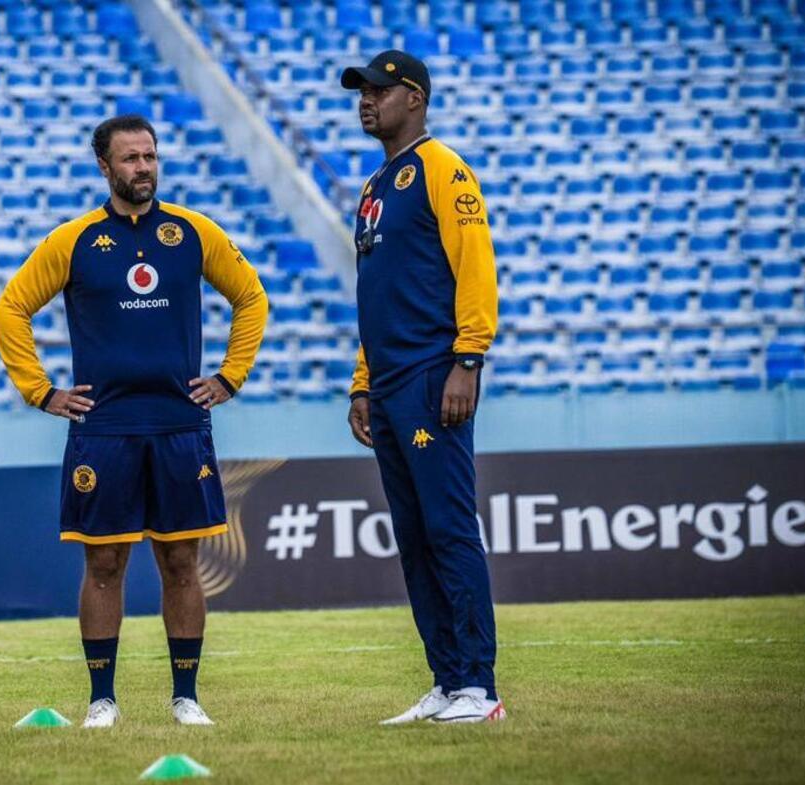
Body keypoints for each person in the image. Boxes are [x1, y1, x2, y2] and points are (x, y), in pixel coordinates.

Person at [0, 115, 268, 728]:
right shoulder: (74, 240)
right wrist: (41, 391)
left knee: (181, 563)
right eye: (130, 158)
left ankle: (186, 697)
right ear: (104, 167)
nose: (143, 168)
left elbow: (251, 296)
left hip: (179, 427)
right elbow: (11, 308)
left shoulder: (193, 232)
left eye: (149, 156)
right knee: (104, 566)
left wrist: (230, 376)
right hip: (104, 431)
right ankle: (102, 701)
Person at [339, 51, 505, 724]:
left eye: (379, 89)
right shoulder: (375, 185)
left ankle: (480, 689)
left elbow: (476, 266)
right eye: (361, 91)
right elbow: (375, 294)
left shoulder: (444, 168)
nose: (366, 99)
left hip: (434, 375)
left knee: (449, 529)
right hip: (388, 386)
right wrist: (362, 383)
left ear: (415, 98)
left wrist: (469, 358)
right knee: (413, 538)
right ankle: (447, 679)